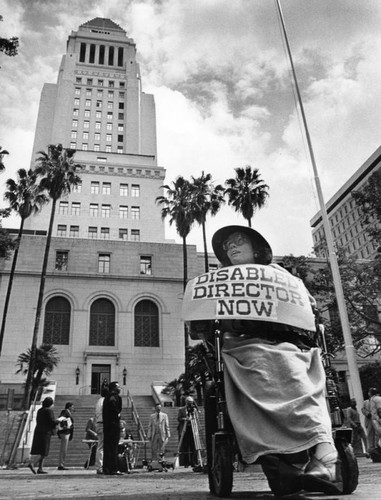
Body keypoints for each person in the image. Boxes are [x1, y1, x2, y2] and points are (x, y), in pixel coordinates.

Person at [208, 225, 342, 496]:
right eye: (227, 246)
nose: (231, 247)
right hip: (244, 344)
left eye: (238, 241)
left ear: (256, 248)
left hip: (287, 343)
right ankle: (281, 464)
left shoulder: (282, 276)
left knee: (294, 368)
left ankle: (321, 451)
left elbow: (308, 307)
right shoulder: (221, 278)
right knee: (261, 365)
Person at [28, 397, 57, 474]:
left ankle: (40, 468)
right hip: (46, 432)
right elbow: (52, 421)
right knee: (44, 451)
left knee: (41, 450)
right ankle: (33, 463)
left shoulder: (40, 410)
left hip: (38, 431)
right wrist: (58, 421)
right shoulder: (49, 411)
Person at [102, 381, 123, 475]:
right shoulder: (115, 397)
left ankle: (106, 468)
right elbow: (117, 410)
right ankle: (114, 468)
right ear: (114, 388)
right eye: (118, 386)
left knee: (107, 447)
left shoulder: (106, 398)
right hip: (113, 425)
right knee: (114, 447)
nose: (119, 388)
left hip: (106, 425)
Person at [177, 396, 198, 467]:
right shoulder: (181, 409)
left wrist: (193, 418)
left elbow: (197, 418)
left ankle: (194, 462)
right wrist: (185, 419)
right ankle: (185, 462)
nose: (190, 404)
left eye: (191, 403)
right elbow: (179, 418)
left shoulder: (194, 410)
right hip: (184, 429)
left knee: (193, 446)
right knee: (185, 446)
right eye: (189, 403)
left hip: (192, 428)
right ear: (186, 402)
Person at [94, 384, 108, 474]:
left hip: (99, 424)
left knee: (101, 446)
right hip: (102, 424)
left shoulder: (99, 401)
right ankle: (100, 466)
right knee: (101, 447)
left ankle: (100, 466)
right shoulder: (104, 402)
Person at [57, 402, 74, 470]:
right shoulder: (65, 412)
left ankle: (61, 464)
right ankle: (61, 464)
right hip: (65, 432)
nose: (73, 408)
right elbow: (60, 419)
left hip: (66, 432)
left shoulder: (67, 412)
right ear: (69, 407)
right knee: (63, 449)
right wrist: (64, 426)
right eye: (72, 407)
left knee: (64, 449)